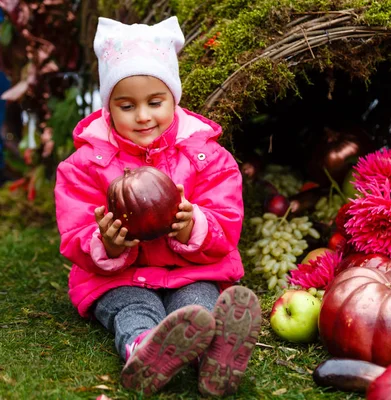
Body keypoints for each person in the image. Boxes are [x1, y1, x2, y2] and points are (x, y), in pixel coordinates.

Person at [54, 16, 261, 397]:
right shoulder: (83, 167)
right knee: (132, 308)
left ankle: (214, 356)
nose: (143, 116)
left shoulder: (207, 157)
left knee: (197, 305)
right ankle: (145, 349)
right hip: (119, 277)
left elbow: (226, 220)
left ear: (174, 97)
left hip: (190, 270)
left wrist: (192, 225)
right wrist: (107, 245)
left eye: (155, 102)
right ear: (107, 107)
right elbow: (75, 231)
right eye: (126, 105)